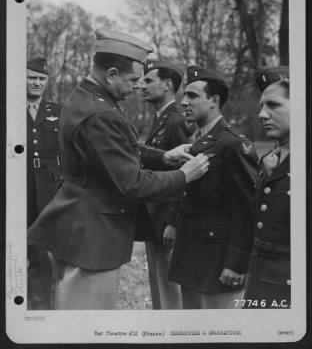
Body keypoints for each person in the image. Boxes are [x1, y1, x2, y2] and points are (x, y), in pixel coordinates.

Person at [27, 30, 209, 310]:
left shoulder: (84, 97)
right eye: (133, 79)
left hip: (77, 223)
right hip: (94, 238)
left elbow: (114, 150)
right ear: (111, 74)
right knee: (89, 327)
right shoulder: (102, 114)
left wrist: (163, 157)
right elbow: (132, 183)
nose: (137, 86)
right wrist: (185, 175)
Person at [168, 65, 258, 309]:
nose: (184, 102)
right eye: (184, 95)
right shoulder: (195, 141)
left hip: (217, 263)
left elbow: (247, 207)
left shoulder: (233, 144)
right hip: (190, 257)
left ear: (214, 101)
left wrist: (237, 262)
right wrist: (173, 222)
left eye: (193, 96)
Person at [138, 60, 192, 309]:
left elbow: (186, 175)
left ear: (168, 85)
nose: (141, 85)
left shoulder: (177, 120)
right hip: (154, 216)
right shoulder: (161, 118)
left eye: (148, 80)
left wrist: (173, 220)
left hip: (166, 219)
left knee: (171, 289)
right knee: (160, 284)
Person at [244, 66, 291, 309]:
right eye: (261, 106)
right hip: (261, 278)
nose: (262, 115)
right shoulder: (270, 159)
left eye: (273, 105)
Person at [26, 57, 62, 310]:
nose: (37, 83)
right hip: (18, 191)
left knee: (42, 255)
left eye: (41, 78)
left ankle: (41, 312)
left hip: (48, 193)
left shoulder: (57, 112)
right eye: (31, 77)